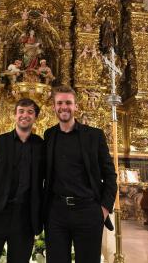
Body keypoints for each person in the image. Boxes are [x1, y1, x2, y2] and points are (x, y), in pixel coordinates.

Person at [43, 85, 117, 263]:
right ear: (54, 106)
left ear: (76, 106)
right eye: (59, 102)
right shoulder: (49, 135)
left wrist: (104, 209)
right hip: (57, 212)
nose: (64, 107)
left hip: (88, 211)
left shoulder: (94, 136)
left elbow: (110, 174)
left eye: (68, 102)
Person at [0, 98, 44, 263]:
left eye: (30, 112)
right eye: (21, 111)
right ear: (14, 115)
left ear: (35, 117)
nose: (24, 115)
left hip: (24, 217)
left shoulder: (41, 145)